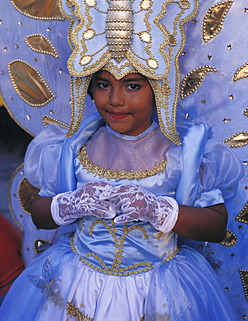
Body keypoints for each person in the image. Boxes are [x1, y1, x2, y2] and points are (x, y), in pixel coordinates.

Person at [0, 69, 244, 320]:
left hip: (161, 289)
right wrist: (72, 204)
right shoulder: (72, 146)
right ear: (89, 88)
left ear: (159, 90)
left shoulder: (188, 153)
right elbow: (40, 215)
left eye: (133, 86)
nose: (115, 99)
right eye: (103, 84)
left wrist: (157, 209)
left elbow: (215, 227)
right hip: (76, 283)